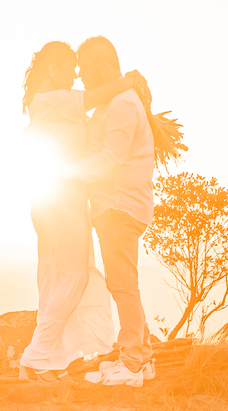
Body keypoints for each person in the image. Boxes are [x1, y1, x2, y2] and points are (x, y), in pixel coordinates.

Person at [18, 41, 150, 380]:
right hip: (61, 202)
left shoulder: (60, 102)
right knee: (73, 276)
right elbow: (96, 100)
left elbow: (107, 150)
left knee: (69, 275)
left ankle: (49, 357)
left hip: (65, 201)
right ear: (52, 69)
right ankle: (38, 356)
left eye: (82, 68)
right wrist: (131, 80)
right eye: (71, 69)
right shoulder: (54, 99)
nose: (77, 76)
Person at [76, 35, 184, 388]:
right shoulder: (119, 100)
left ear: (101, 63)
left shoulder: (122, 103)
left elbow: (111, 158)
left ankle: (132, 364)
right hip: (117, 206)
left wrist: (70, 175)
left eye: (83, 67)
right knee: (122, 283)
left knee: (123, 285)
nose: (81, 76)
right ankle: (143, 356)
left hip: (119, 207)